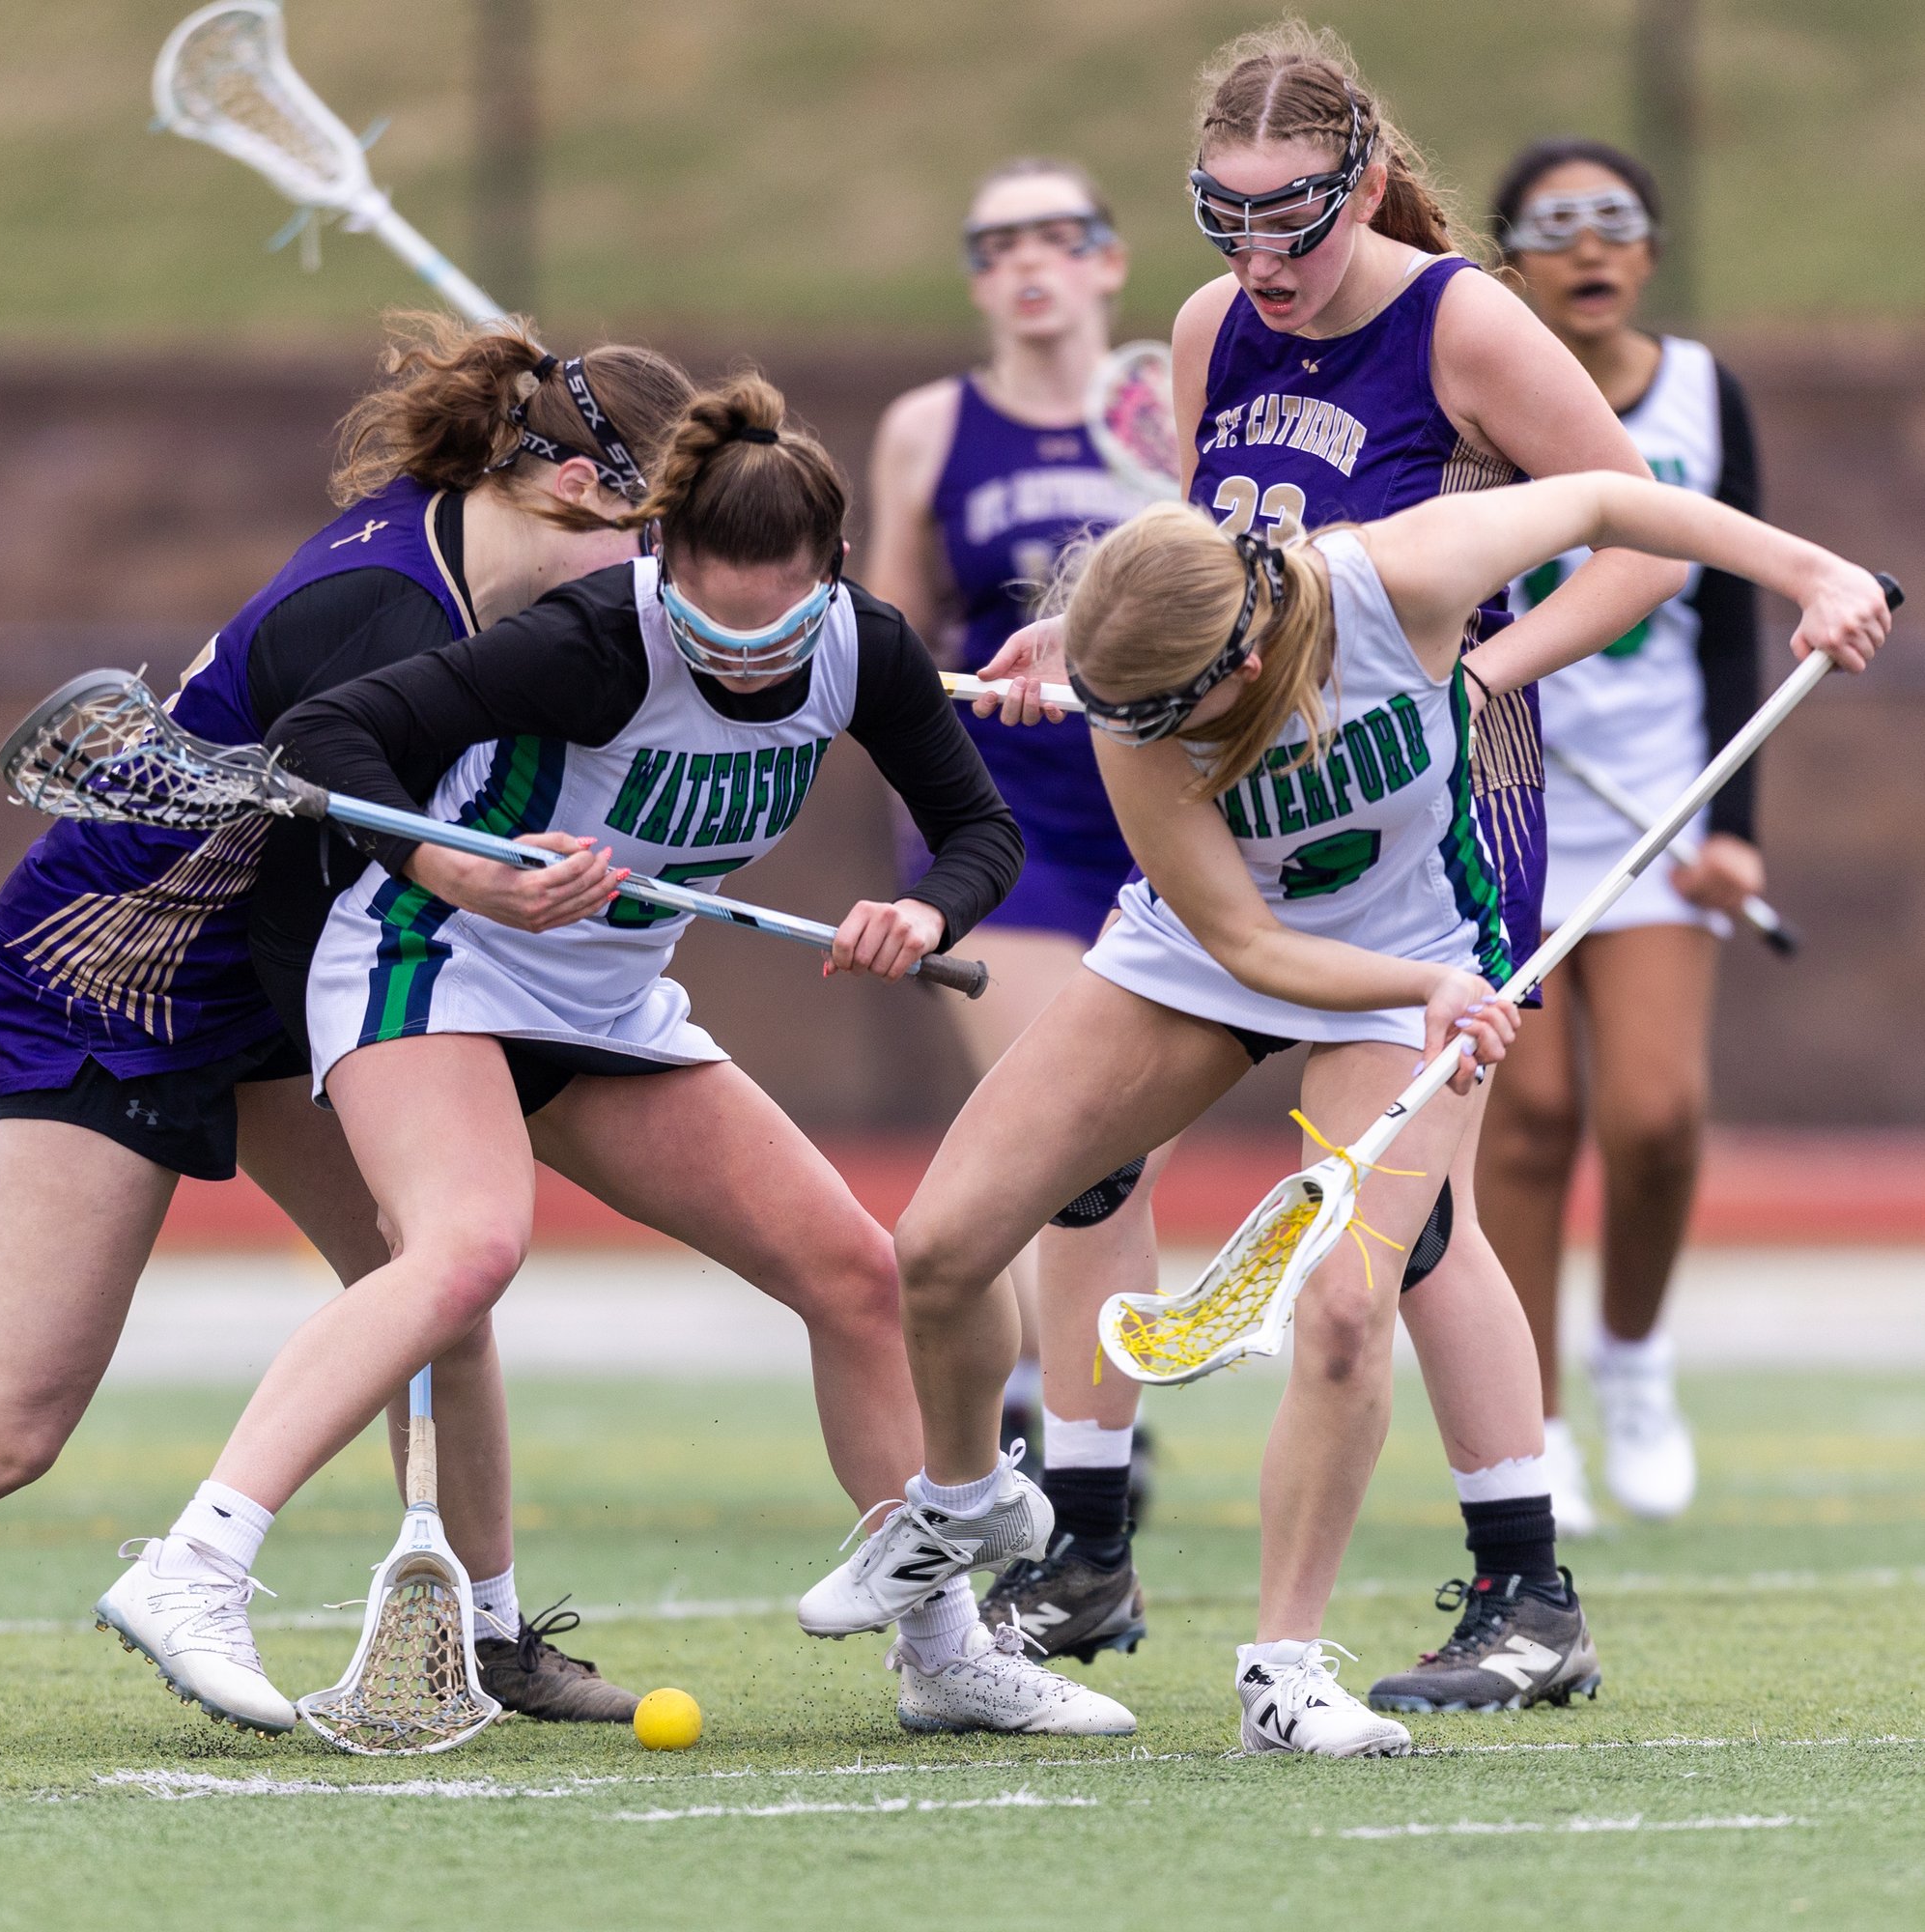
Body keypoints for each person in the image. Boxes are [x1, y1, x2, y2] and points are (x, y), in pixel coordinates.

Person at [0, 316, 693, 1742]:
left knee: (437, 1284)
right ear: (584, 490)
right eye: (669, 541)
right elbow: (355, 857)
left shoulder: (475, 565)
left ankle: (486, 1634)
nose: (672, 591)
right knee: (4, 1422)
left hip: (265, 970)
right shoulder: (387, 610)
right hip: (120, 974)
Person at [99, 374, 1137, 1738]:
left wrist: (923, 910)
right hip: (435, 957)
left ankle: (941, 1651)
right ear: (662, 567)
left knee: (859, 1277)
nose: (751, 661)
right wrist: (470, 875)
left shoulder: (864, 647)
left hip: (605, 1001)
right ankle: (195, 1567)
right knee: (466, 1253)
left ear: (830, 574)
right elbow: (325, 738)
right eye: (716, 625)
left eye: (783, 625)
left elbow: (977, 830)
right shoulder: (591, 640)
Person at [800, 472, 1888, 1756]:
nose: (1146, 735)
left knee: (1348, 1306)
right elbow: (1248, 943)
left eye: (1170, 709)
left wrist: (1810, 571)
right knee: (939, 1245)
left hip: (1413, 949)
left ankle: (1286, 1673)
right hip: (1225, 957)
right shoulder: (1135, 718)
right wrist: (1425, 988)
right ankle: (969, 1500)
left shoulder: (1400, 576)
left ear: (1248, 651)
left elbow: (1607, 497)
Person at [967, 21, 1684, 1714]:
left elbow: (1635, 527)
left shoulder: (1465, 319)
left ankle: (1526, 1590)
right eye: (1228, 219)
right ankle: (1083, 1546)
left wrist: (1485, 675)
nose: (1261, 261)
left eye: (1294, 218)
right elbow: (1210, 565)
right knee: (1080, 1167)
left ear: (1363, 180)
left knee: (1395, 1237)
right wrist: (1074, 635)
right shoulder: (1216, 322)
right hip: (1238, 818)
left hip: (1424, 825)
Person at [862, 156, 1167, 1665]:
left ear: (1111, 262)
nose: (1032, 265)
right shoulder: (933, 425)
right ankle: (1085, 1458)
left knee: (1117, 1152)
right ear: (976, 277)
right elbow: (892, 632)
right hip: (1010, 832)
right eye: (1001, 245)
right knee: (1069, 1134)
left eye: (1061, 238)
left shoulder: (1170, 410)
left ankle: (1092, 1428)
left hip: (1162, 816)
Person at [1475, 140, 1767, 1532]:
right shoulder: (1480, 391)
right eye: (1556, 226)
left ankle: (1635, 1365)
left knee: (1656, 1117)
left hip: (1658, 807)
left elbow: (1728, 622)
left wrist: (1735, 821)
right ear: (1510, 256)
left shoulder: (1705, 394)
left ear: (1647, 250)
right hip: (1507, 792)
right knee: (1527, 1119)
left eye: (1616, 222)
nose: (1590, 249)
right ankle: (1530, 1425)